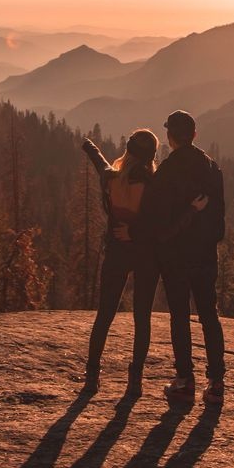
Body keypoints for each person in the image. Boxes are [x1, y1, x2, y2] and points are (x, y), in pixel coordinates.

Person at [135, 110, 227, 405]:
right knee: (209, 316)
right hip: (205, 256)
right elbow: (219, 219)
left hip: (176, 258)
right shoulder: (212, 168)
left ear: (169, 137)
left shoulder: (166, 171)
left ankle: (185, 381)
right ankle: (216, 383)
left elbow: (157, 225)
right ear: (195, 135)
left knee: (180, 317)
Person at [80, 129, 163, 397]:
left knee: (105, 314)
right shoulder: (154, 186)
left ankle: (92, 375)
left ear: (128, 153)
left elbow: (99, 161)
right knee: (142, 318)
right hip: (147, 255)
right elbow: (159, 223)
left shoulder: (111, 179)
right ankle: (135, 379)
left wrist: (89, 146)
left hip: (117, 252)